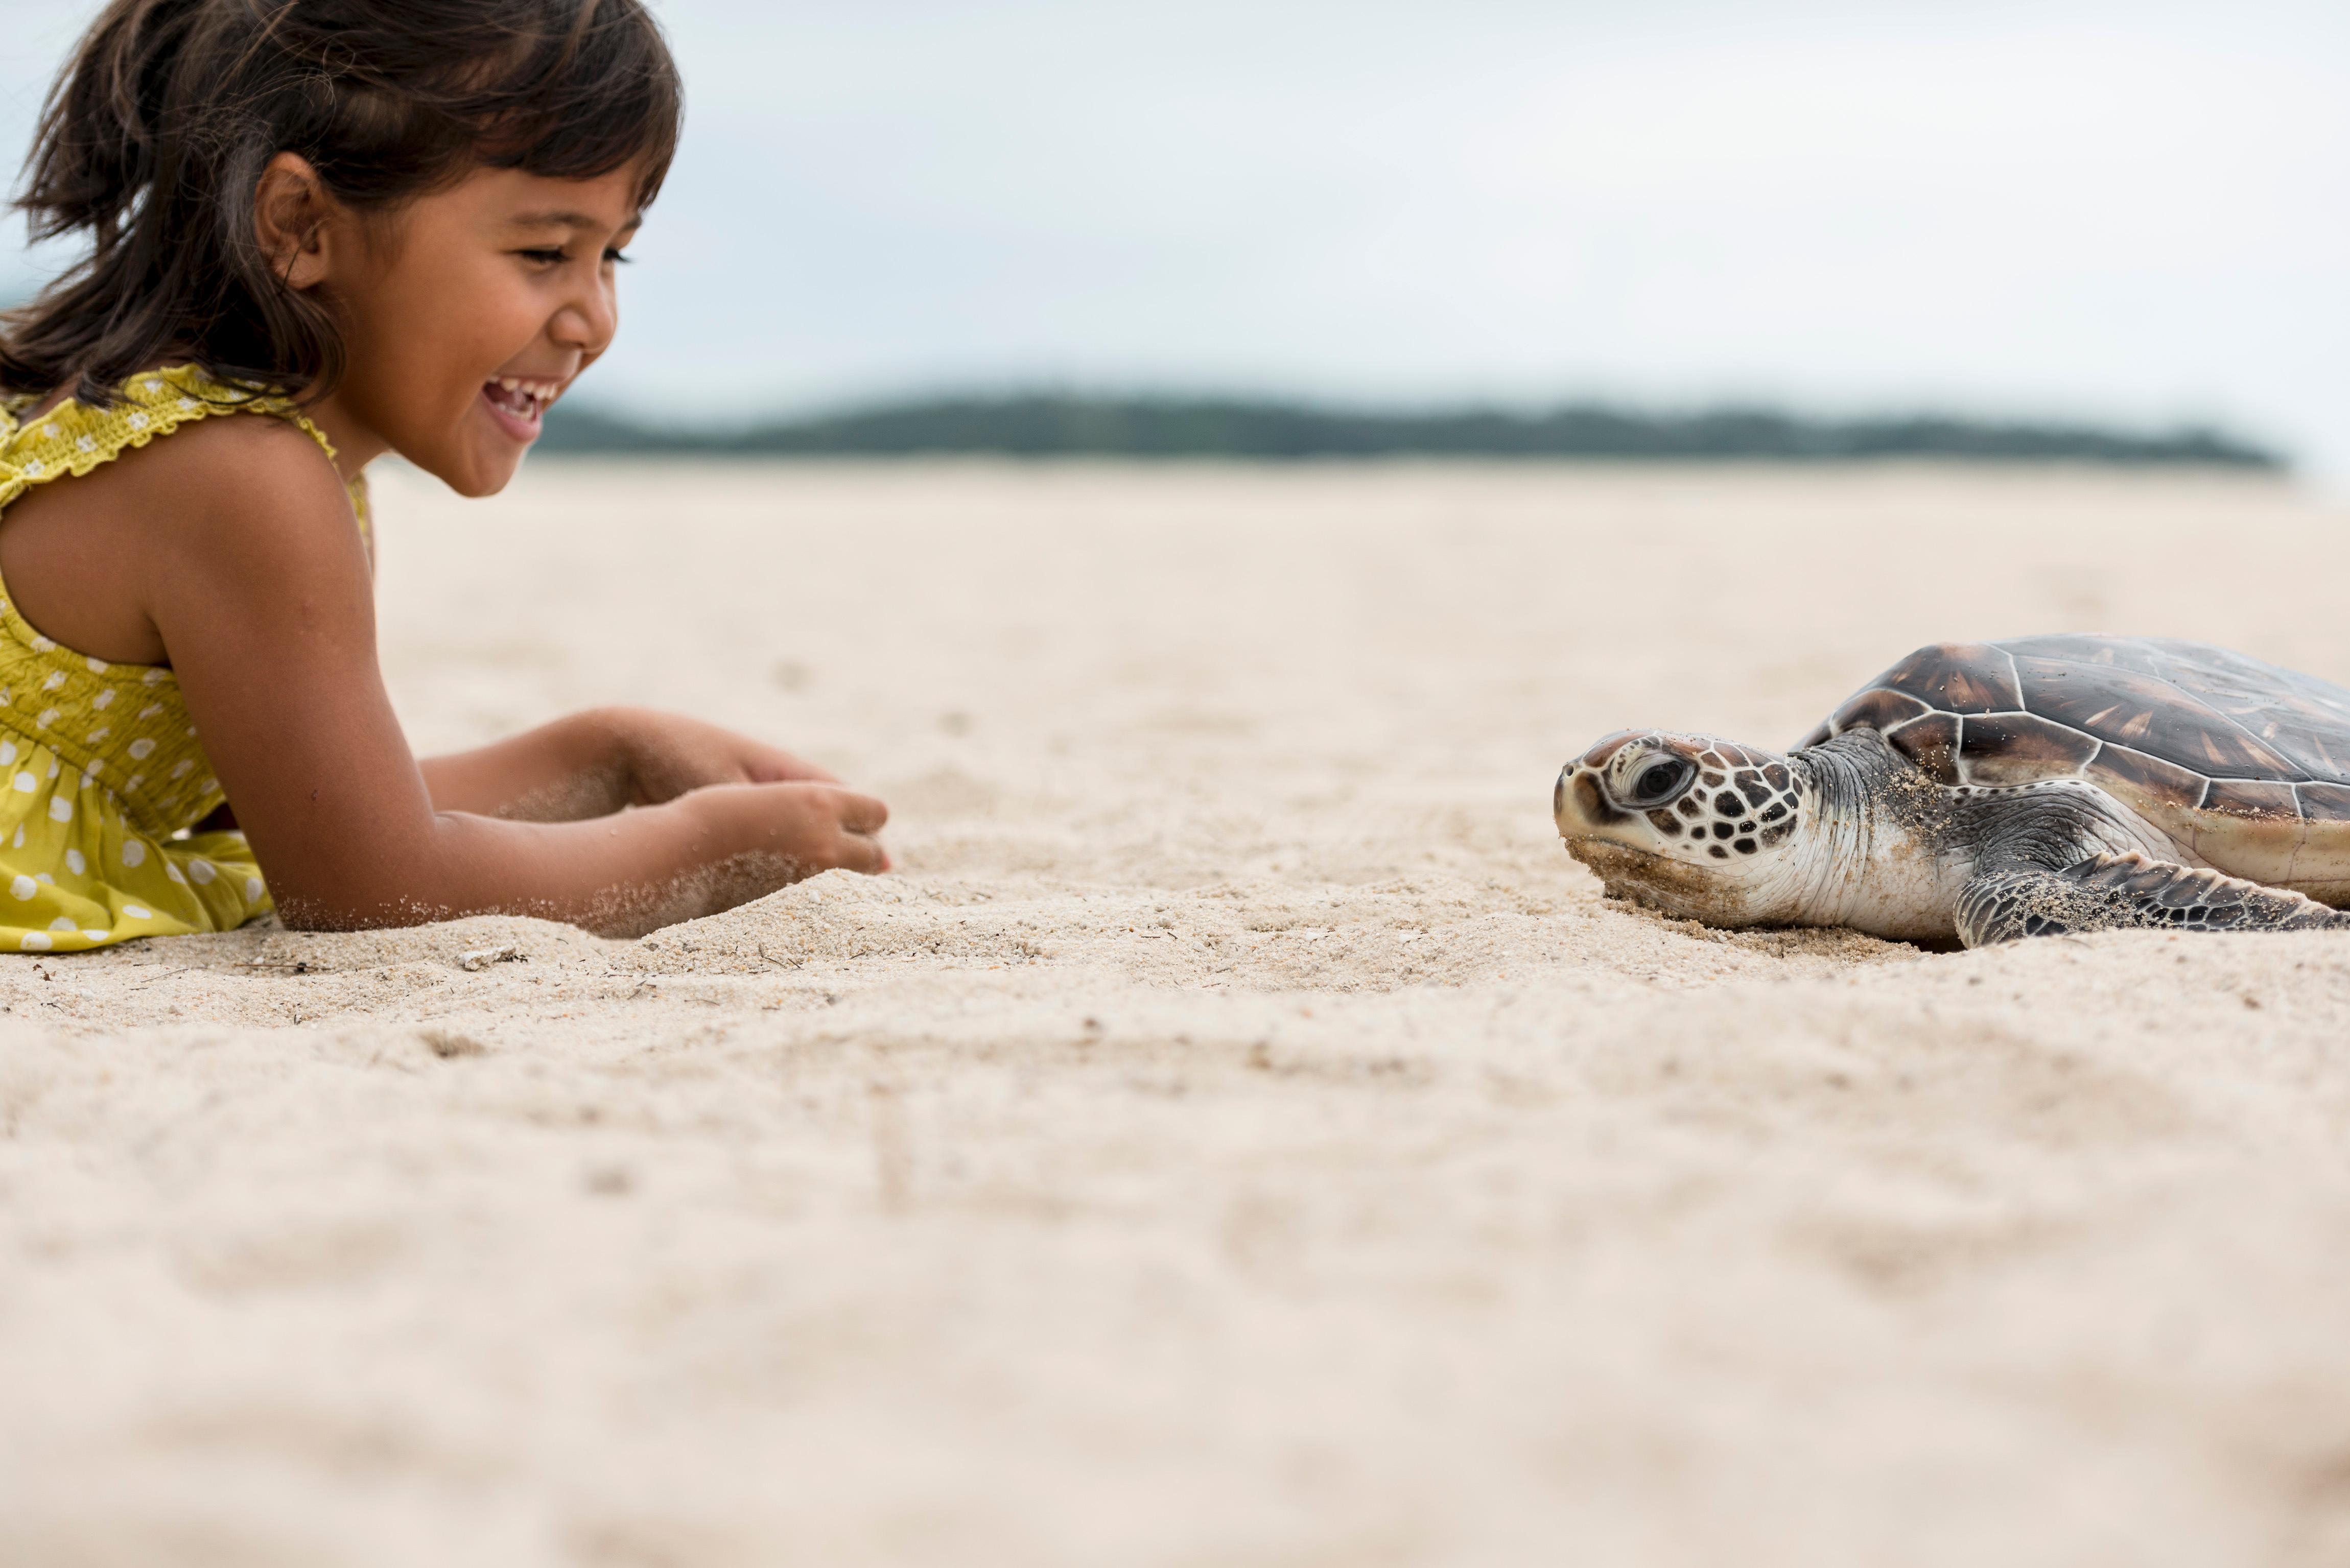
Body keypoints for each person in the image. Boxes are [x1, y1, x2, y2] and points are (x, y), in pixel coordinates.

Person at [0, 0, 890, 952]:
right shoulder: (240, 478)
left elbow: (292, 809)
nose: (592, 317)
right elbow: (371, 885)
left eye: (611, 254)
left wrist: (605, 754)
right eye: (545, 252)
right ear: (301, 224)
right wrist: (706, 848)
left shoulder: (255, 455)